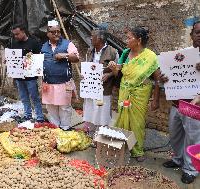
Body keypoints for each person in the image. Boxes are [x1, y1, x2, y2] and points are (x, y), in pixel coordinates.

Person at [109, 27, 160, 162]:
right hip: (124, 92)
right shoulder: (125, 53)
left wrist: (155, 100)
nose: (127, 40)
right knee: (122, 118)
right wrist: (114, 68)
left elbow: (158, 79)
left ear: (139, 40)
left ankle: (137, 150)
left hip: (140, 94)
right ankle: (123, 146)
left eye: (129, 38)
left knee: (137, 122)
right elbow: (118, 74)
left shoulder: (150, 57)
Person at [161, 21, 200, 184]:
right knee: (175, 134)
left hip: (195, 106)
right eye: (197, 32)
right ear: (191, 35)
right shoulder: (183, 54)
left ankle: (191, 169)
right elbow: (169, 73)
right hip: (177, 103)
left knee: (193, 138)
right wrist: (165, 78)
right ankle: (178, 159)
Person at [41, 20, 79, 130]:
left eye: (58, 31)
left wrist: (65, 55)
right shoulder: (44, 47)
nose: (57, 34)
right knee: (51, 107)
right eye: (53, 32)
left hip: (64, 82)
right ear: (47, 33)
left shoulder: (67, 44)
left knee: (64, 107)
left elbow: (76, 58)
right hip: (48, 83)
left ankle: (65, 128)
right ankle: (56, 129)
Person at [83, 29, 119, 138]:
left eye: (92, 36)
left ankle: (101, 136)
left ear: (99, 38)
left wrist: (109, 75)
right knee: (90, 110)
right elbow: (87, 67)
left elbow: (118, 70)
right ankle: (91, 132)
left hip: (104, 89)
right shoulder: (90, 51)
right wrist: (84, 75)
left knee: (101, 111)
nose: (90, 38)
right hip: (90, 88)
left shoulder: (113, 52)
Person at [8, 24, 44, 122]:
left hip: (31, 77)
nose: (16, 36)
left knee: (34, 97)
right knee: (24, 98)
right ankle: (28, 115)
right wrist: (8, 61)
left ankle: (40, 117)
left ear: (24, 31)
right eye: (14, 35)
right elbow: (12, 57)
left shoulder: (34, 43)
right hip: (19, 77)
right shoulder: (14, 44)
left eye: (17, 34)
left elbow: (40, 58)